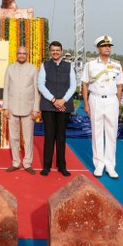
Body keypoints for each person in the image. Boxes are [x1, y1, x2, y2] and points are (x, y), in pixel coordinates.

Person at [82, 36, 123, 177]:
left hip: (111, 100)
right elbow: (85, 84)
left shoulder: (117, 65)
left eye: (109, 46)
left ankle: (110, 165)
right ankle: (99, 164)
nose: (107, 48)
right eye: (104, 46)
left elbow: (119, 86)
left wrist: (118, 103)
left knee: (111, 133)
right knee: (97, 132)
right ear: (98, 48)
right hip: (96, 99)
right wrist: (86, 103)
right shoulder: (90, 65)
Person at [38, 42, 75, 176]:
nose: (55, 52)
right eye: (53, 50)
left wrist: (63, 100)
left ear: (61, 51)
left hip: (64, 106)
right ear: (50, 52)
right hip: (48, 105)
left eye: (57, 50)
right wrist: (53, 100)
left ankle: (61, 166)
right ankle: (46, 166)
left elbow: (73, 86)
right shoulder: (45, 65)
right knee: (49, 136)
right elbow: (40, 84)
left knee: (61, 136)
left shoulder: (69, 66)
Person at [3, 45, 40, 174]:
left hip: (28, 109)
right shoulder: (10, 68)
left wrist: (35, 109)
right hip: (12, 108)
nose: (22, 55)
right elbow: (6, 88)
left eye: (24, 53)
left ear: (27, 55)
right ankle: (15, 162)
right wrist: (5, 107)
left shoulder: (33, 69)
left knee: (28, 138)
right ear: (16, 54)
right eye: (20, 53)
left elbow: (36, 90)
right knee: (13, 137)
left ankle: (27, 163)